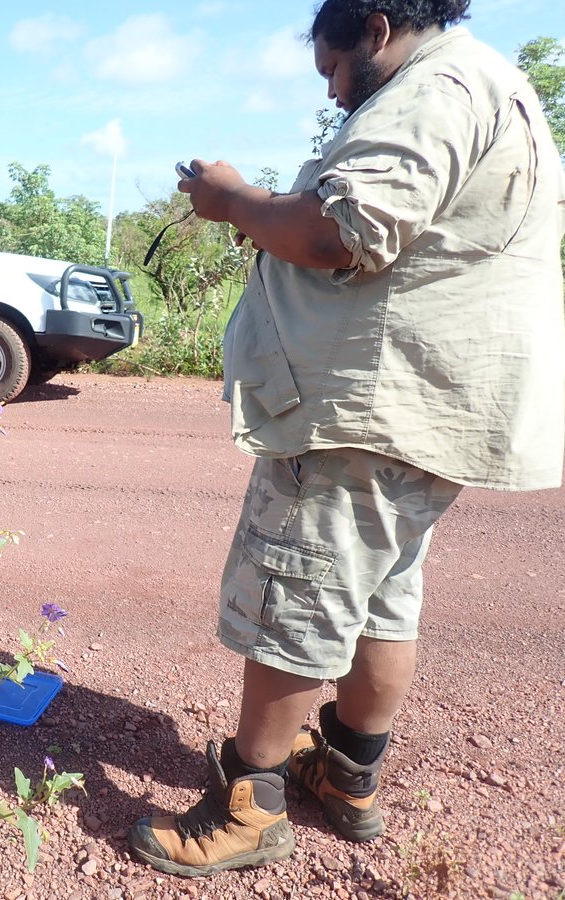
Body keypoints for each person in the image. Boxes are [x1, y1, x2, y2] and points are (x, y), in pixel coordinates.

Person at [127, 0, 565, 878]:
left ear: (374, 26)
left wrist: (232, 200)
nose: (330, 87)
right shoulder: (493, 83)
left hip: (365, 407)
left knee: (297, 592)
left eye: (332, 67)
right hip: (417, 406)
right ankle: (347, 777)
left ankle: (249, 806)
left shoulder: (431, 87)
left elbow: (341, 234)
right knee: (380, 598)